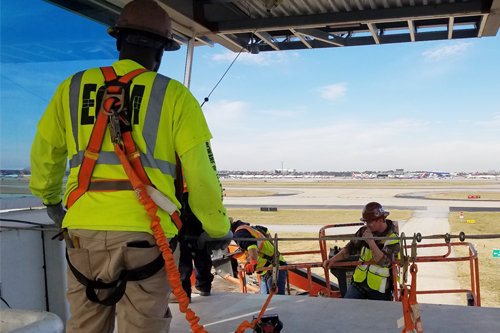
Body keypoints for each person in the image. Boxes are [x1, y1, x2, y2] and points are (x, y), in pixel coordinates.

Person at [29, 1, 231, 332]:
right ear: (163, 51)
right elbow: (201, 175)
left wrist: (51, 200)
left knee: (85, 325)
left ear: (119, 42)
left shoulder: (72, 87)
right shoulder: (174, 96)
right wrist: (217, 227)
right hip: (148, 236)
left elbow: (46, 152)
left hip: (83, 233)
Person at [323, 202, 400, 301]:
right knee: (345, 309)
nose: (367, 225)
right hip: (358, 284)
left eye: (370, 222)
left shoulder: (393, 239)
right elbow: (350, 248)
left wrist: (371, 242)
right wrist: (333, 259)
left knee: (379, 316)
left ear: (381, 220)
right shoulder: (364, 231)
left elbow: (384, 262)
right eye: (366, 222)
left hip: (379, 290)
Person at [172, 191, 214, 303]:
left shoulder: (185, 197)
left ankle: (184, 294)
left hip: (187, 233)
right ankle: (204, 287)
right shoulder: (203, 197)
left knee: (184, 264)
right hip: (200, 232)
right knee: (203, 260)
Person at [231, 219, 287, 295]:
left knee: (276, 301)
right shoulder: (246, 228)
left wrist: (253, 262)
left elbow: (251, 244)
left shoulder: (239, 233)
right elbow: (265, 230)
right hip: (266, 269)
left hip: (274, 267)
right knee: (266, 301)